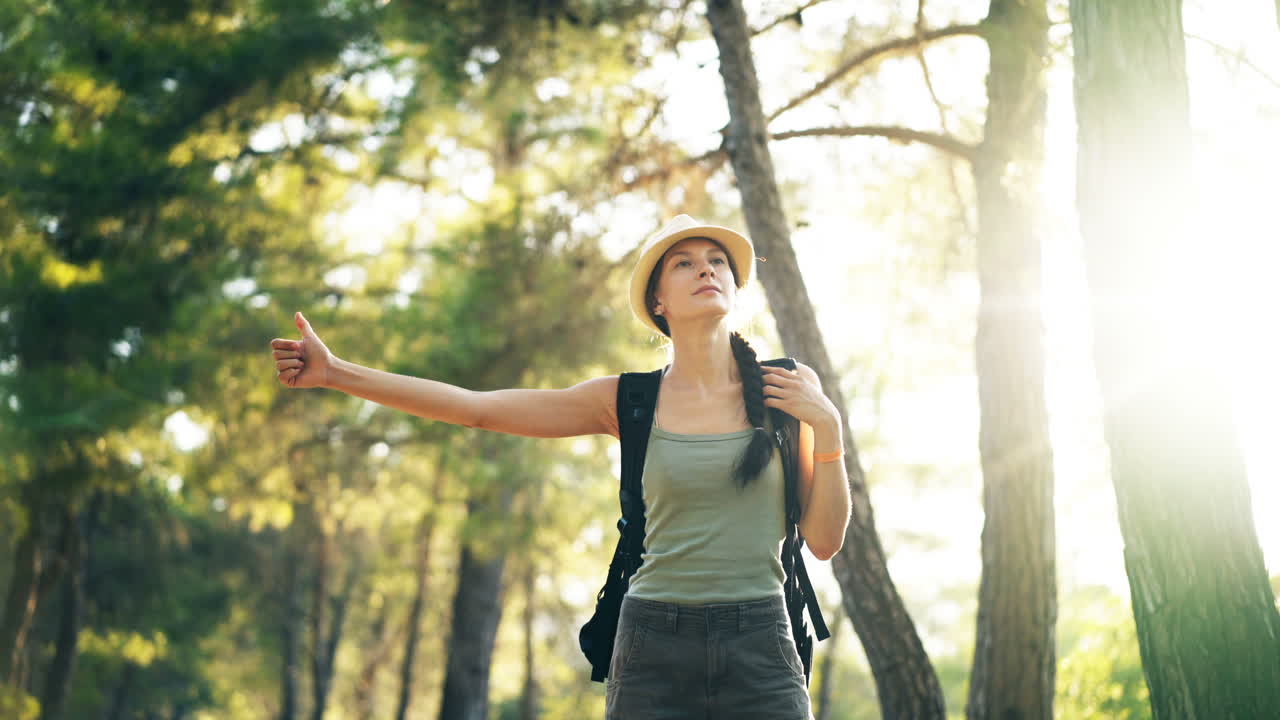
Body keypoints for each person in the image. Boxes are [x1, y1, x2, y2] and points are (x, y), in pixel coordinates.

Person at [268, 214, 852, 719]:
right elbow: (477, 410)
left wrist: (828, 430)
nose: (705, 270)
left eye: (717, 260)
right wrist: (335, 372)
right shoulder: (627, 401)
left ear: (733, 283)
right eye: (684, 263)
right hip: (652, 647)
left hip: (762, 645)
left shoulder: (787, 391)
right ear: (657, 302)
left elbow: (824, 541)